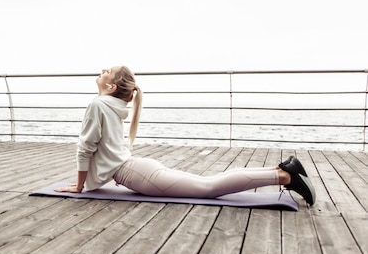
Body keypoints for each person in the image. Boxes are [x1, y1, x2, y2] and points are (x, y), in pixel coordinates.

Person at [56, 66, 316, 206]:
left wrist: (79, 186)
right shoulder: (110, 106)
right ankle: (281, 172)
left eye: (107, 72)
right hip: (138, 169)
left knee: (209, 188)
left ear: (111, 86)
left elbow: (85, 148)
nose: (102, 70)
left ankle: (284, 174)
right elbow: (92, 147)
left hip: (135, 172)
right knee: (209, 183)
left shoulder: (98, 104)